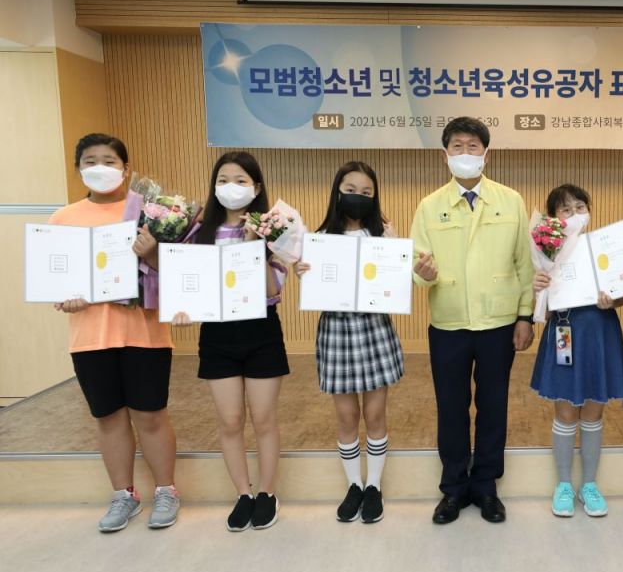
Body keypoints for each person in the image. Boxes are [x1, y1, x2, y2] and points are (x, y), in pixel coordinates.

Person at [50, 133, 179, 532]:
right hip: (90, 335)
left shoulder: (151, 213)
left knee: (151, 415)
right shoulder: (63, 218)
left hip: (145, 333)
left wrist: (152, 252)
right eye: (90, 161)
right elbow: (55, 280)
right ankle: (124, 494)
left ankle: (166, 491)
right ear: (78, 169)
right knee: (108, 417)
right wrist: (65, 298)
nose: (100, 168)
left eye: (109, 160)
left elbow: (177, 277)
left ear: (126, 168)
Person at [409, 117, 534, 524]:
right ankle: (453, 488)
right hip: (448, 324)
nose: (465, 153)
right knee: (451, 407)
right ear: (445, 154)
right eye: (457, 146)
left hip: (499, 322)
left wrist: (525, 316)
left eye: (473, 146)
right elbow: (416, 265)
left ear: (486, 153)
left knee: (494, 405)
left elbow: (524, 263)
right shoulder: (429, 206)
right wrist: (421, 274)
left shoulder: (510, 201)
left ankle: (486, 486)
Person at [172, 151, 289, 531]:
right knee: (230, 420)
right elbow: (186, 285)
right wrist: (182, 310)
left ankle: (267, 492)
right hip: (217, 335)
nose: (231, 187)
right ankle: (243, 493)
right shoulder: (197, 232)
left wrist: (256, 245)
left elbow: (273, 291)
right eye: (223, 180)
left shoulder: (273, 229)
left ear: (256, 187)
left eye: (241, 180)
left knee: (264, 419)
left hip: (261, 331)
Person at [294, 162, 404, 524]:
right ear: (338, 192)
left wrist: (395, 253)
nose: (358, 196)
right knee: (346, 416)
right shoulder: (319, 239)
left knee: (375, 414)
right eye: (351, 189)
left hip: (374, 328)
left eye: (366, 192)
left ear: (375, 197)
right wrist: (302, 271)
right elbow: (316, 287)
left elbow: (395, 284)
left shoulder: (382, 235)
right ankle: (354, 485)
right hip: (337, 331)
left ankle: (374, 485)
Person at [530, 184, 623, 518]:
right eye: (566, 210)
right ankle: (563, 485)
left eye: (580, 207)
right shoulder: (547, 252)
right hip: (565, 332)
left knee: (594, 412)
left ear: (589, 211)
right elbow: (541, 308)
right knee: (566, 412)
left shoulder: (604, 247)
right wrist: (539, 287)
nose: (574, 214)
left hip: (600, 332)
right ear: (553, 218)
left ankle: (589, 485)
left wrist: (614, 299)